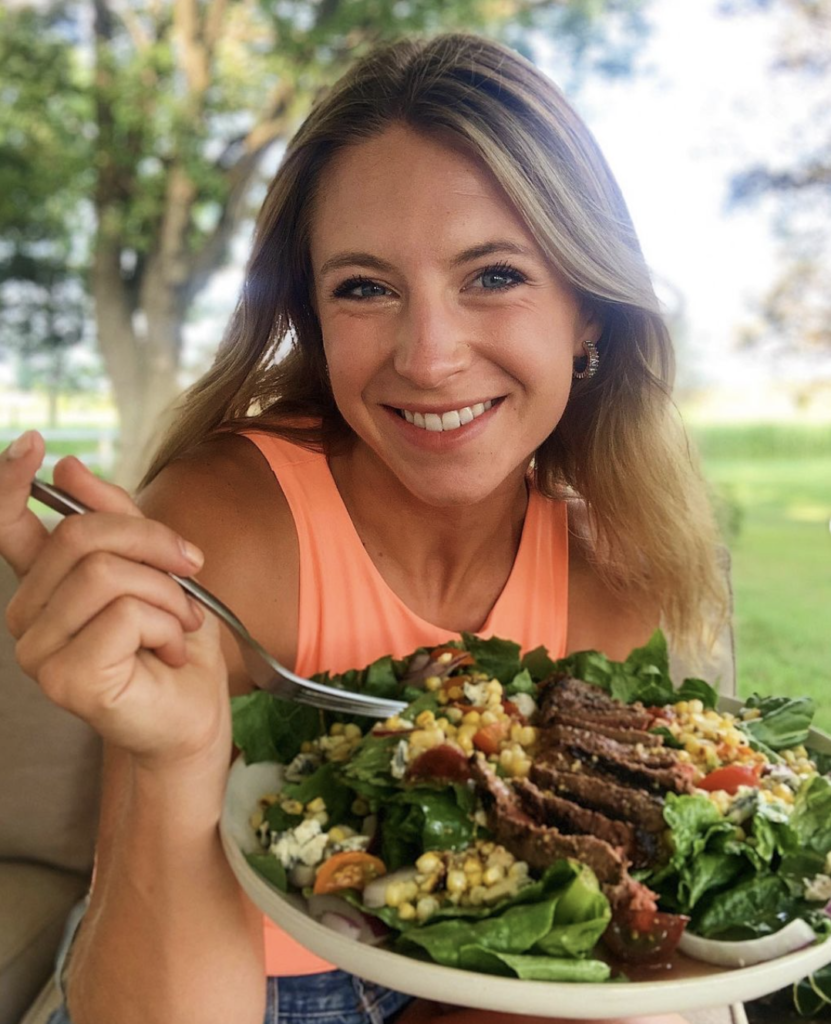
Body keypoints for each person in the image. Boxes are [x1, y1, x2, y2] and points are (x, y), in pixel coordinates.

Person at [0, 32, 729, 1024]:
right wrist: (178, 759)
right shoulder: (226, 526)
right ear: (311, 317)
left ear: (590, 312)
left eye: (495, 275)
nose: (428, 358)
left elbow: (550, 951)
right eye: (365, 287)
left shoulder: (618, 571)